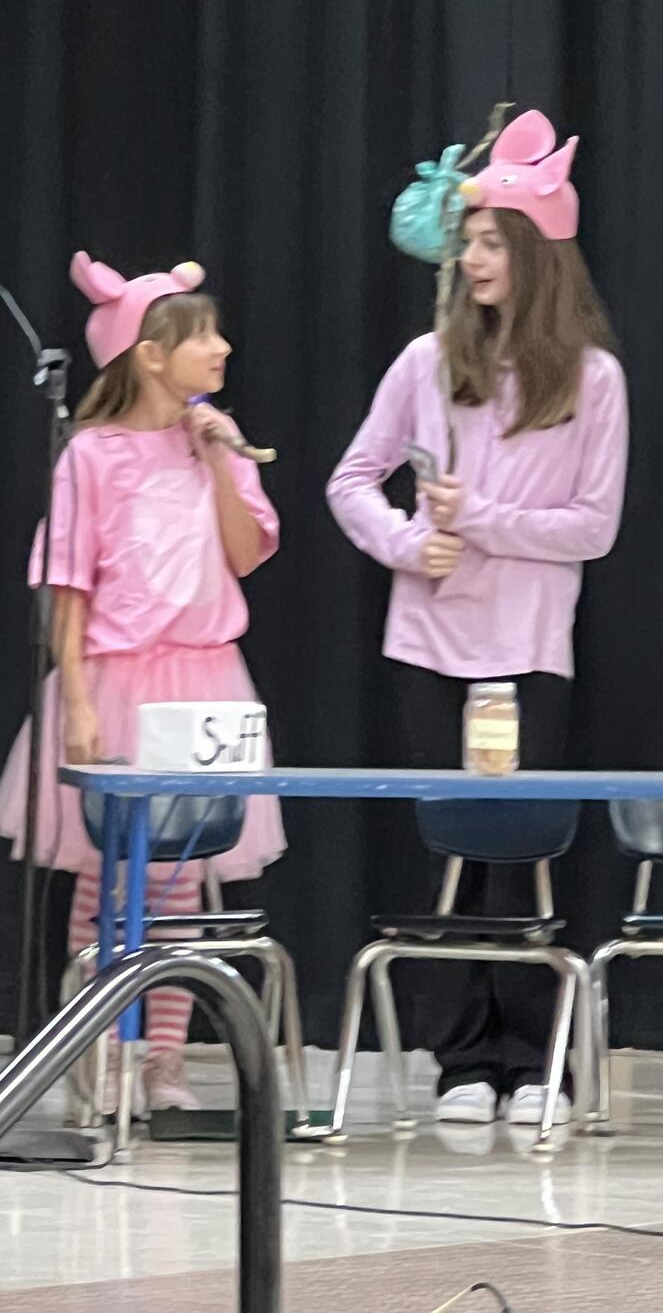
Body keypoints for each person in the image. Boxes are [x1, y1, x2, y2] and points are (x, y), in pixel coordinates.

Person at [327, 110, 628, 1127]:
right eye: (471, 241)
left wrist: (482, 519)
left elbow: (593, 526)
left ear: (537, 255)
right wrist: (408, 543)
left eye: (494, 241)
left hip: (528, 648)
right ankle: (460, 1058)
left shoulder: (593, 379)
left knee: (522, 851)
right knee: (445, 853)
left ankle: (536, 1057)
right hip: (429, 645)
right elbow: (351, 479)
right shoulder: (424, 361)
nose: (474, 257)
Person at [0, 253, 286, 1112]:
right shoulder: (91, 454)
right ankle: (101, 1045)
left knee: (181, 877)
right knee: (106, 873)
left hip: (204, 678)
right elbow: (69, 584)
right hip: (117, 677)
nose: (222, 348)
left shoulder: (217, 442)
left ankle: (164, 1058)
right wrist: (78, 701)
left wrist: (221, 458)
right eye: (202, 336)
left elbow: (246, 553)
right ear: (151, 355)